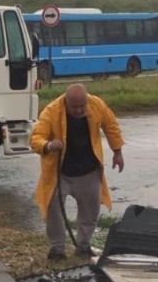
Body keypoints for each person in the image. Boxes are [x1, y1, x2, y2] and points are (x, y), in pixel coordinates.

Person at [30, 83, 125, 260]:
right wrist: (48, 145)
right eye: (75, 107)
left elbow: (111, 125)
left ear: (87, 101)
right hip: (60, 173)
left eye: (82, 106)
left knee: (90, 211)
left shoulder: (97, 105)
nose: (79, 110)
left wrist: (117, 152)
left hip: (89, 171)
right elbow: (36, 138)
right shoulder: (51, 111)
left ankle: (83, 245)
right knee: (54, 212)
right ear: (66, 102)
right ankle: (57, 249)